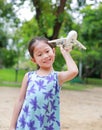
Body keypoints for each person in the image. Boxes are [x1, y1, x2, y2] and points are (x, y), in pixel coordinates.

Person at [9, 36, 78, 130]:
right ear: (34, 60)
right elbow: (20, 101)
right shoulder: (29, 76)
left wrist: (66, 53)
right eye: (39, 54)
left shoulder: (57, 77)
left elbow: (73, 71)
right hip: (26, 123)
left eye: (47, 51)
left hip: (46, 125)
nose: (45, 56)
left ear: (53, 52)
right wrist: (12, 126)